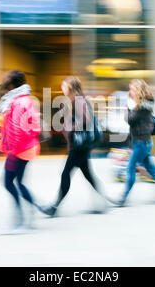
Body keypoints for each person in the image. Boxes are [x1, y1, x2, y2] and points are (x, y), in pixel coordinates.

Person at [42, 76, 108, 217]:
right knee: (88, 175)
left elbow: (86, 119)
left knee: (66, 174)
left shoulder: (78, 101)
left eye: (64, 86)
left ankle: (54, 207)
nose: (62, 88)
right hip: (80, 146)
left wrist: (71, 127)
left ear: (70, 88)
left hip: (79, 146)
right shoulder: (76, 101)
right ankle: (103, 202)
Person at [0, 70, 42, 232]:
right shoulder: (25, 99)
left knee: (8, 182)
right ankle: (28, 214)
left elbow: (17, 129)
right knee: (18, 183)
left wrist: (12, 152)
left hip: (20, 149)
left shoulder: (17, 102)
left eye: (6, 84)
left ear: (11, 85)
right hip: (26, 147)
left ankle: (20, 220)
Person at [117, 79, 155, 206]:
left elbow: (130, 120)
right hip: (142, 142)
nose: (130, 92)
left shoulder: (143, 105)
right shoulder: (143, 104)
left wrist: (127, 109)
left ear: (138, 90)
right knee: (152, 169)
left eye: (132, 89)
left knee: (130, 168)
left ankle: (123, 198)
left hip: (141, 143)